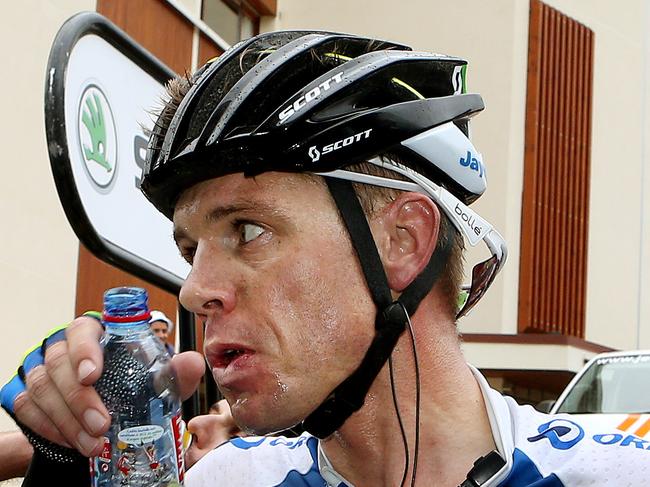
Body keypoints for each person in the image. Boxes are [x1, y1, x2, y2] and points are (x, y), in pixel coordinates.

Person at [1, 31, 646, 486]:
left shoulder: (619, 474)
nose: (194, 290)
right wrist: (67, 461)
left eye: (249, 230)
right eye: (191, 250)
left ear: (404, 242)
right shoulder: (230, 482)